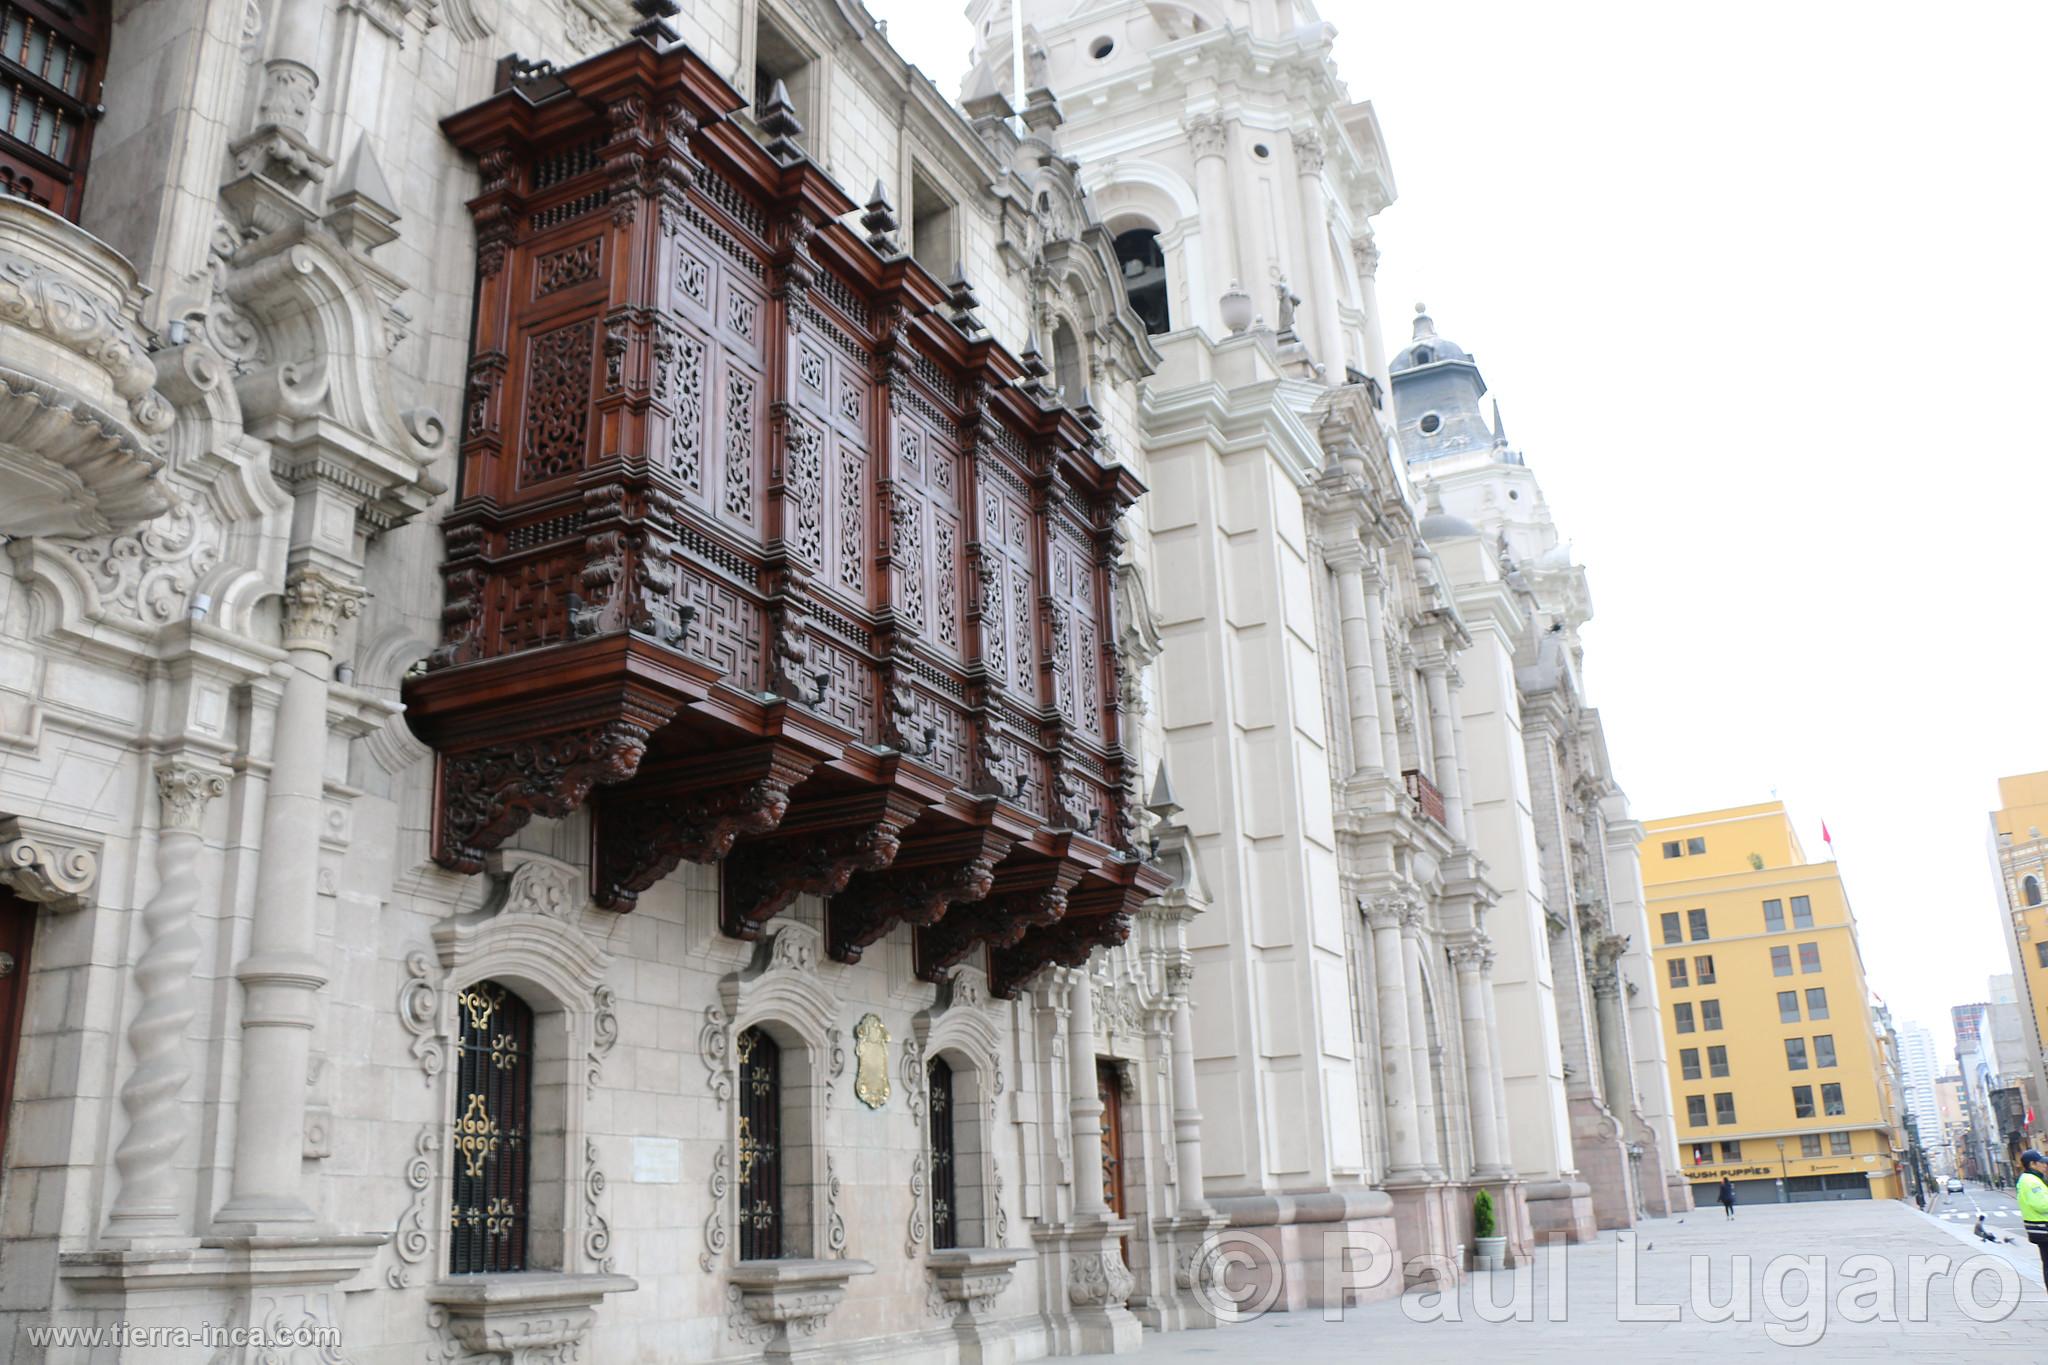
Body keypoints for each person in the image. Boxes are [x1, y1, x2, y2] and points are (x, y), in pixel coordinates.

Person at [2018, 1148, 2048, 1286]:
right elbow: (2041, 1205)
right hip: (2042, 1228)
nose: (2045, 1165)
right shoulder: (2031, 1182)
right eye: (2041, 1163)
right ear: (2032, 1164)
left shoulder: (2031, 1179)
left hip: (2039, 1228)